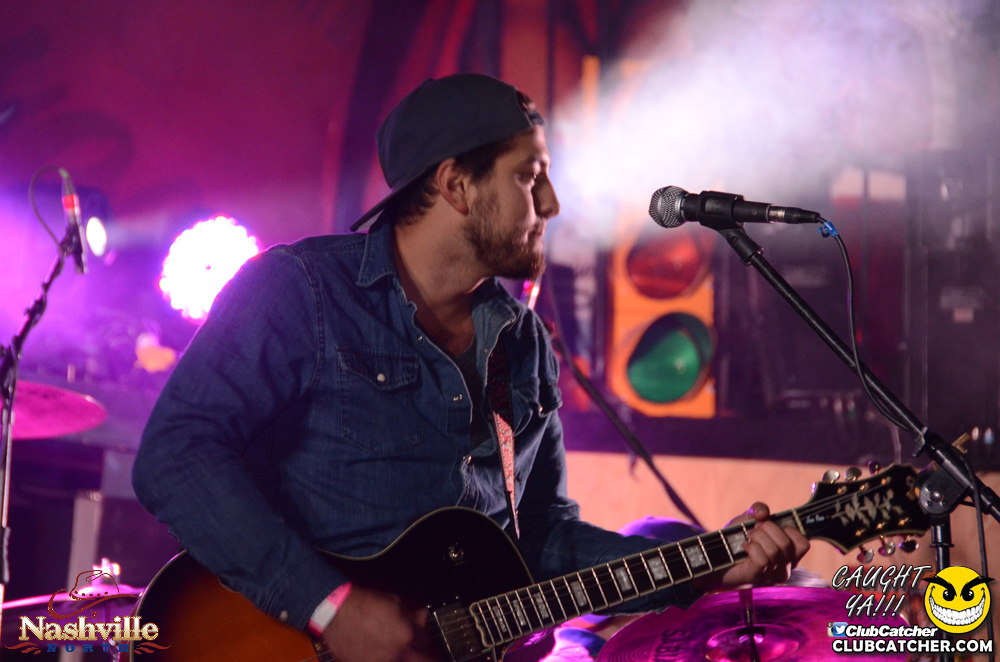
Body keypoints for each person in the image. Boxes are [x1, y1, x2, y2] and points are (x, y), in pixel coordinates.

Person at [132, 73, 809, 662]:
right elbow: (174, 455)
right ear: (457, 184)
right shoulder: (301, 291)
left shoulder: (524, 344)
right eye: (530, 177)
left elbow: (541, 541)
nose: (552, 205)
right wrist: (328, 607)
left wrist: (710, 565)